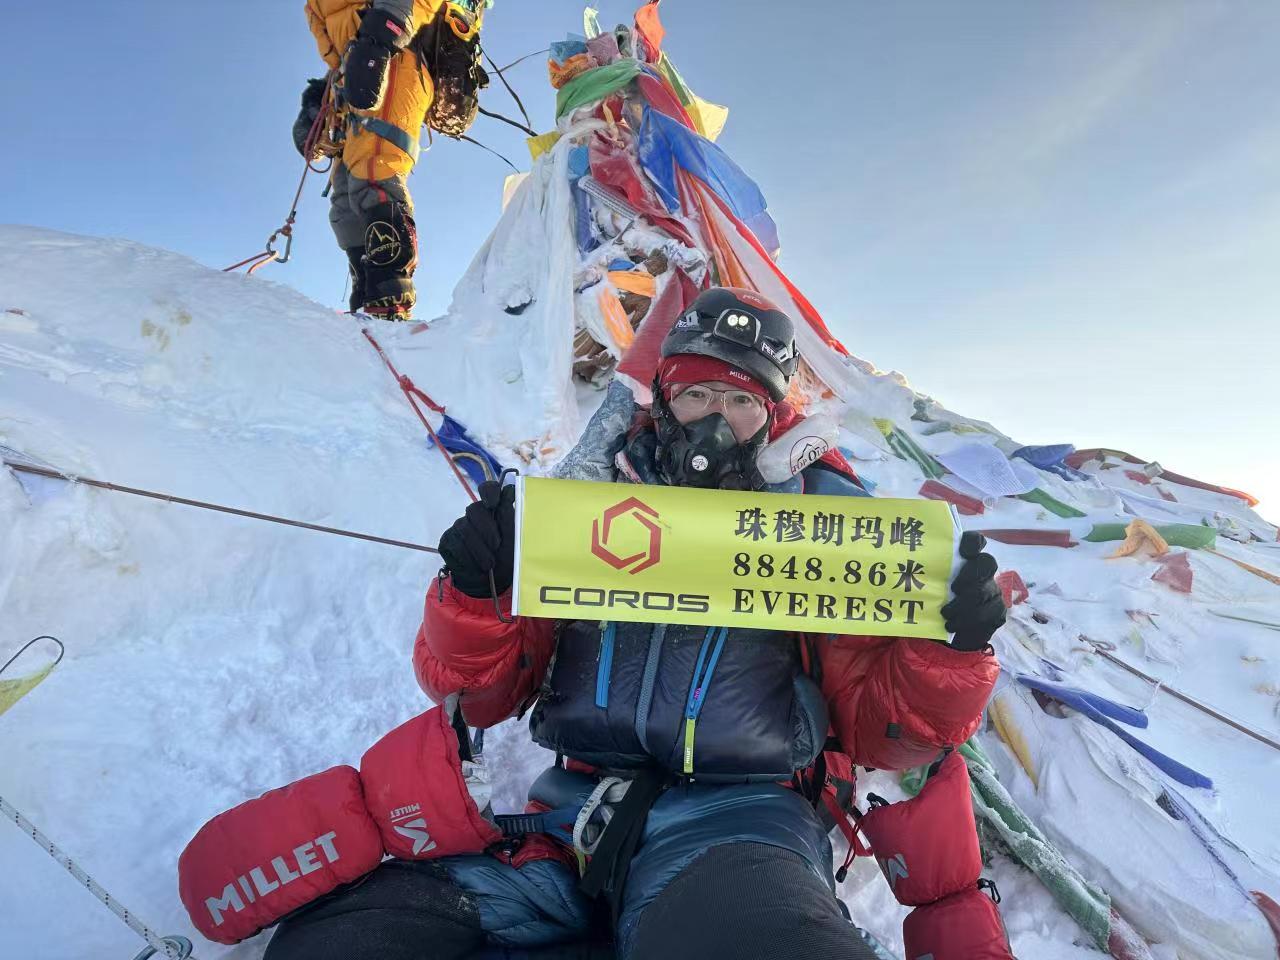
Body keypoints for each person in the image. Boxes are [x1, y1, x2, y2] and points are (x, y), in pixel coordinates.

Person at [264, 288, 1008, 959]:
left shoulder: (823, 538)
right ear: (663, 395)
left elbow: (887, 734)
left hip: (743, 824)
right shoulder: (583, 512)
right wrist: (476, 593)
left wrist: (945, 650)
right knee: (342, 939)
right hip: (572, 820)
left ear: (774, 417)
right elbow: (481, 699)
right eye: (698, 393)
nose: (718, 420)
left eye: (742, 402)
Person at [298, 0, 486, 319]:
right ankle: (366, 293)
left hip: (395, 52)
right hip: (355, 67)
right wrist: (318, 97)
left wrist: (385, 28)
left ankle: (390, 292)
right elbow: (341, 28)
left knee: (376, 170)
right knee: (345, 200)